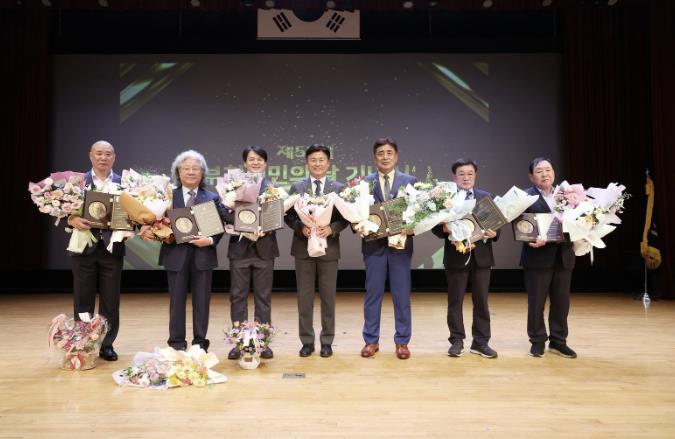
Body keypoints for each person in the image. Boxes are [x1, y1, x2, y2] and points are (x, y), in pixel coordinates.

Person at [141, 149, 229, 352]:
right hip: (175, 255)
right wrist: (149, 228)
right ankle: (176, 344)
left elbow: (220, 227)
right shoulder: (166, 197)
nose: (190, 172)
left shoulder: (211, 197)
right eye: (186, 168)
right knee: (176, 302)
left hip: (203, 256)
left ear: (202, 172)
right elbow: (153, 220)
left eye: (195, 168)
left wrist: (209, 240)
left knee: (202, 303)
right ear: (178, 172)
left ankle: (200, 343)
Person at [285, 144, 348, 358]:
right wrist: (299, 227)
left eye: (321, 160)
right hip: (303, 249)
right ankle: (307, 341)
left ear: (328, 163)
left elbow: (346, 217)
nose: (317, 164)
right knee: (304, 298)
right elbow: (288, 215)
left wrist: (332, 228)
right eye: (313, 160)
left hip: (328, 249)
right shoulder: (297, 187)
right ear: (307, 162)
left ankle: (327, 341)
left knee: (328, 298)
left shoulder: (338, 187)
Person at [356, 137, 416, 360]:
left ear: (396, 156)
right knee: (373, 295)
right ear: (374, 158)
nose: (385, 157)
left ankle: (402, 342)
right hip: (374, 246)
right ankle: (371, 340)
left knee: (401, 296)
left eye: (389, 152)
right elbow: (357, 212)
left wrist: (412, 226)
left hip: (400, 247)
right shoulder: (364, 183)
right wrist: (357, 225)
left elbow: (418, 212)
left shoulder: (410, 181)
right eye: (380, 153)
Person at [431, 159, 499, 359]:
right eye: (461, 174)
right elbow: (435, 227)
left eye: (470, 173)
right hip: (456, 256)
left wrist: (494, 233)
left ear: (475, 175)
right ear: (454, 177)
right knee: (455, 301)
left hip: (482, 258)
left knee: (482, 301)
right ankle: (457, 340)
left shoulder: (485, 197)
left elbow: (496, 226)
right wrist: (444, 228)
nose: (466, 177)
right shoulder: (446, 199)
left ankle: (481, 342)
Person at [67, 140, 124, 361]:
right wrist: (71, 219)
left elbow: (133, 213)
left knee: (111, 302)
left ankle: (106, 344)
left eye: (108, 154)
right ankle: (84, 343)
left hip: (112, 249)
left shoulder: (124, 183)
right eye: (99, 153)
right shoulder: (77, 183)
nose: (103, 158)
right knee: (83, 300)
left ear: (114, 157)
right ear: (90, 156)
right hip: (84, 248)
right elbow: (65, 211)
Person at [521, 157, 577, 359]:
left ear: (554, 172)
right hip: (538, 257)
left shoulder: (568, 194)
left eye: (548, 170)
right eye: (539, 171)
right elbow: (521, 225)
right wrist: (531, 239)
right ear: (531, 177)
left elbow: (577, 220)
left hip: (563, 256)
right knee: (537, 302)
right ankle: (537, 341)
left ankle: (558, 341)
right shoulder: (525, 197)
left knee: (562, 303)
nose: (545, 174)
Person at [227, 146, 278, 360]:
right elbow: (225, 212)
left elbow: (276, 217)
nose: (255, 162)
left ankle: (262, 342)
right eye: (251, 159)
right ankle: (239, 342)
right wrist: (242, 224)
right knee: (237, 297)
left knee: (263, 298)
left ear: (265, 163)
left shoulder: (273, 188)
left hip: (264, 248)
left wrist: (266, 226)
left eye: (259, 159)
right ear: (245, 163)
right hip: (239, 249)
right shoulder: (233, 186)